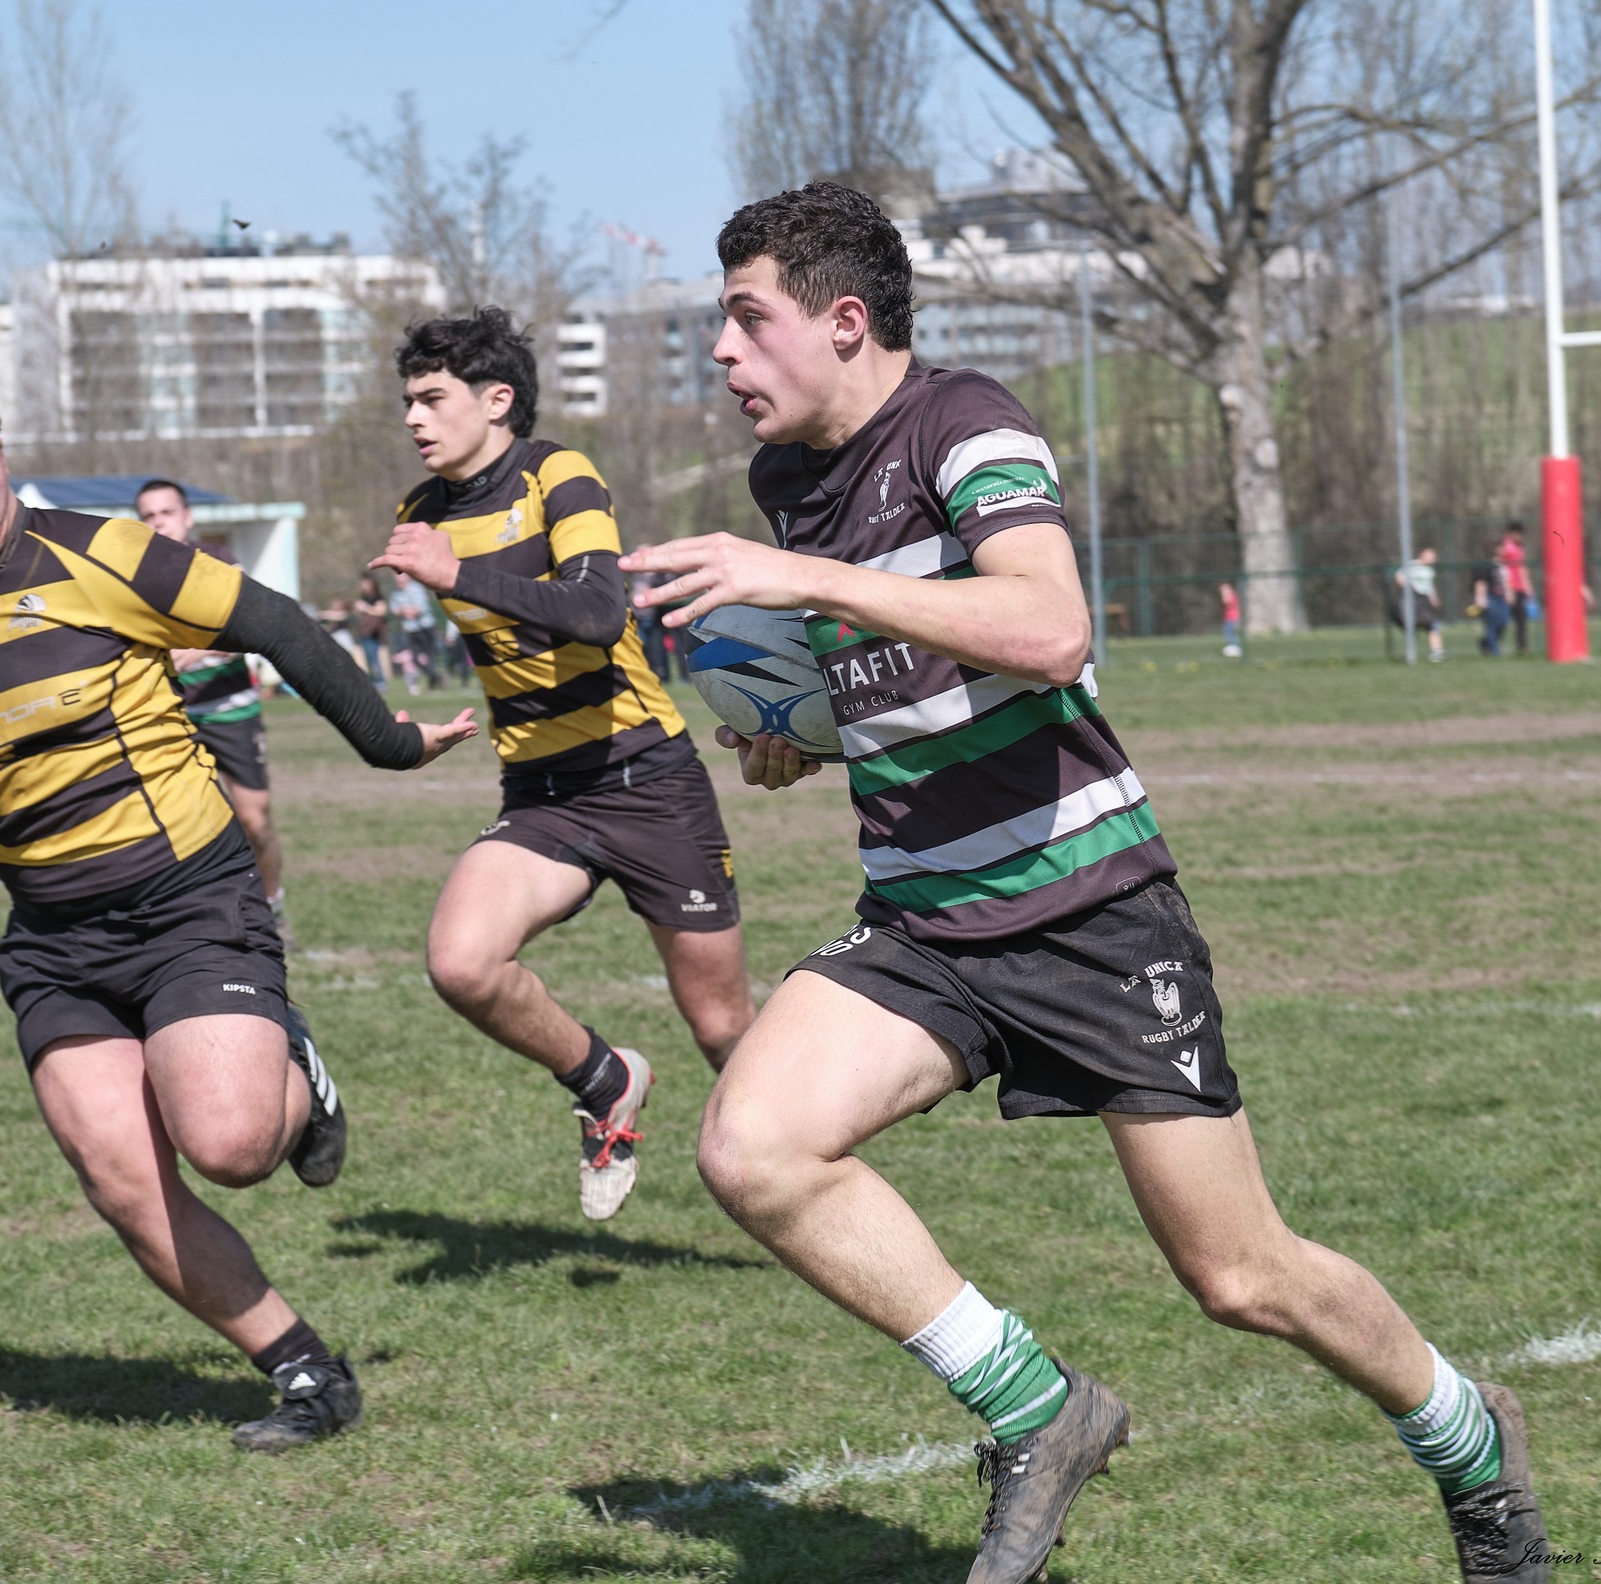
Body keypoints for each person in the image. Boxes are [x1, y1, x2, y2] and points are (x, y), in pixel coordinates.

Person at [618, 184, 1547, 1584]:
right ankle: (1040, 1413)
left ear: (845, 320)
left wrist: (798, 576)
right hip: (925, 918)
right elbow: (899, 666)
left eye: (749, 322)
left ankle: (1476, 1446)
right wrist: (804, 732)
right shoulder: (787, 487)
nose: (725, 355)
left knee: (1241, 1278)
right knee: (753, 1145)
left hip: (1090, 911)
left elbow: (1047, 627)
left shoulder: (964, 423)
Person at [0, 359, 476, 1452]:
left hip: (186, 903)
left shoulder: (99, 550)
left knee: (231, 1146)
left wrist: (392, 745)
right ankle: (305, 1372)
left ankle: (296, 1068)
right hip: (54, 944)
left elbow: (273, 619)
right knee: (120, 1177)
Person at [374, 307, 755, 1222]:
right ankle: (606, 1079)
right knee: (461, 962)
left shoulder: (557, 473)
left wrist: (455, 576)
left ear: (497, 400)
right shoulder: (421, 513)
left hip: (647, 778)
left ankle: (807, 1167)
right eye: (408, 403)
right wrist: (396, 732)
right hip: (543, 793)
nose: (416, 419)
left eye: (433, 398)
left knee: (721, 1028)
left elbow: (595, 611)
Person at [132, 479, 294, 951]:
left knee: (255, 820)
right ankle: (186, 924)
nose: (158, 521)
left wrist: (193, 651)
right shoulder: (132, 576)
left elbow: (250, 628)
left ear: (187, 517)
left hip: (229, 708)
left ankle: (273, 905)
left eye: (166, 512)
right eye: (148, 515)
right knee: (168, 828)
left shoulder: (217, 563)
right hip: (168, 715)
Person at [387, 570, 441, 693]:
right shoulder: (395, 592)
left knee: (429, 655)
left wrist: (406, 610)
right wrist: (406, 611)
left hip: (425, 626)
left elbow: (419, 609)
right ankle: (434, 676)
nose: (399, 582)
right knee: (415, 658)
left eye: (401, 579)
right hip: (411, 629)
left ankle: (433, 679)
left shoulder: (416, 589)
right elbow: (394, 610)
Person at [1395, 547, 1445, 662]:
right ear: (1422, 555)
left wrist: (1433, 597)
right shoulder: (1412, 565)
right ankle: (1411, 653)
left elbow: (1429, 586)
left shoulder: (1430, 570)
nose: (1434, 558)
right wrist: (1409, 589)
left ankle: (1436, 652)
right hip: (1412, 601)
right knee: (1415, 625)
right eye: (1431, 555)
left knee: (1433, 624)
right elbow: (1398, 577)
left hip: (1424, 601)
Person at [1498, 522, 1534, 656]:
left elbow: (1522, 569)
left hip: (1519, 588)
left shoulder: (1520, 548)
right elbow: (1501, 568)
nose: (1520, 536)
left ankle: (1522, 647)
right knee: (1502, 619)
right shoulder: (1505, 547)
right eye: (1517, 533)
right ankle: (1491, 644)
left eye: (1521, 534)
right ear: (1510, 533)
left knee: (1521, 620)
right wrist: (1507, 588)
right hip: (1508, 588)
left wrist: (1528, 587)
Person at [351, 574, 389, 687]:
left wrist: (365, 608)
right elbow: (357, 613)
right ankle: (373, 681)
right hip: (364, 632)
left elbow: (381, 611)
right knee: (367, 659)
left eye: (364, 583)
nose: (362, 585)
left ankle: (381, 682)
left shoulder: (377, 597)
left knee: (374, 659)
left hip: (374, 633)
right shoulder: (362, 597)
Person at [1472, 554, 1510, 658]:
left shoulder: (1503, 566)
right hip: (1490, 597)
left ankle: (1485, 643)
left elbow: (1506, 582)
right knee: (1491, 624)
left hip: (1501, 598)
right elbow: (1480, 583)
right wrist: (1480, 598)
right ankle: (1495, 651)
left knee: (1503, 622)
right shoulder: (1485, 565)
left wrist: (1509, 593)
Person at [1218, 581, 1242, 657]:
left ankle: (1235, 647)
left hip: (1231, 617)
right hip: (1228, 617)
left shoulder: (1231, 595)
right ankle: (1233, 646)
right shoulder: (1232, 595)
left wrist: (1224, 594)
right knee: (1228, 632)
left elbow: (1226, 602)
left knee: (1229, 632)